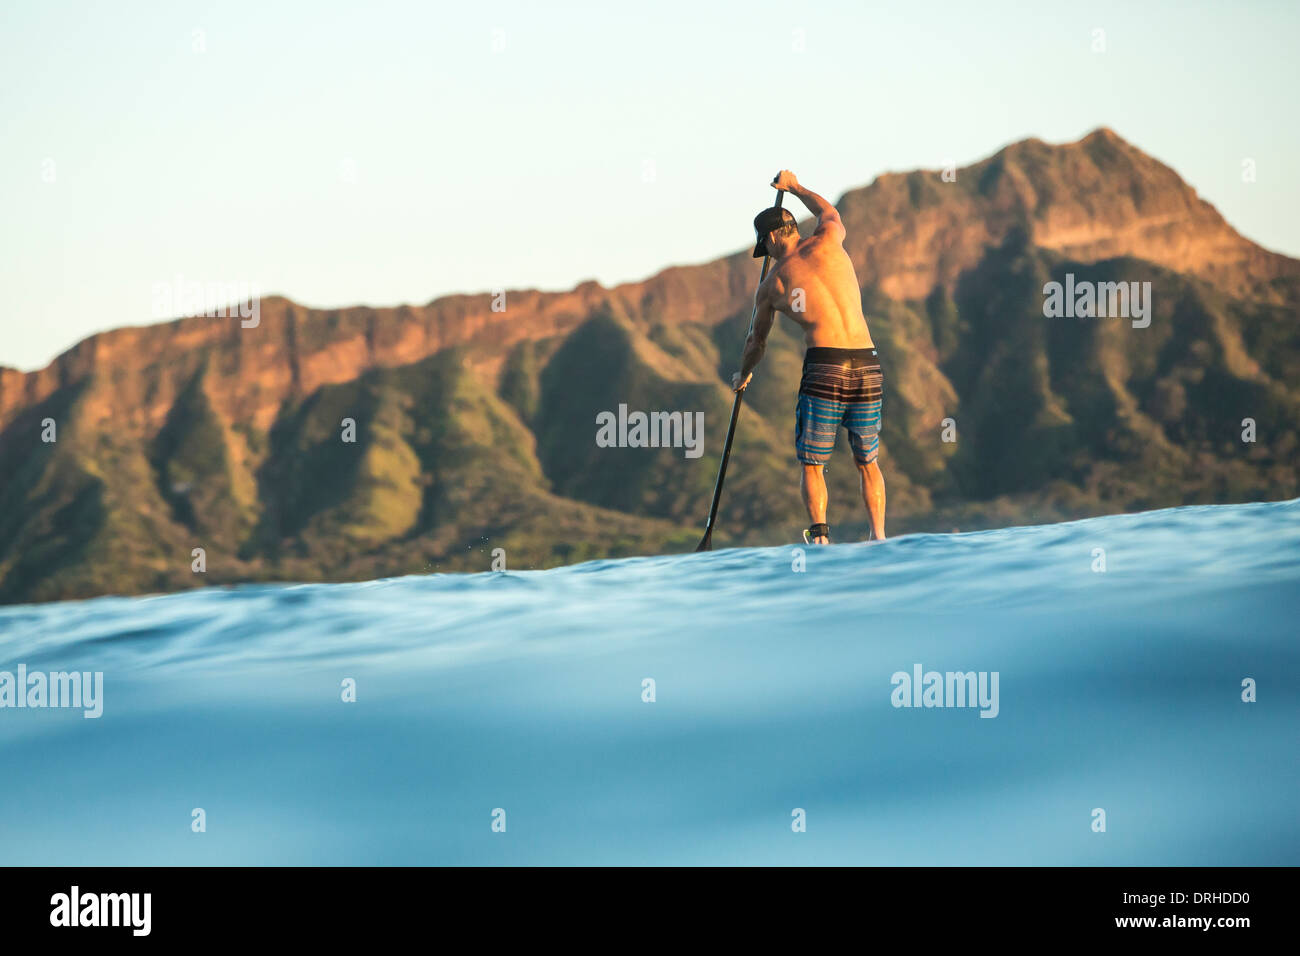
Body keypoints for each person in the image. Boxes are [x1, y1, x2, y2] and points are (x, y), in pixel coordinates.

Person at [732, 170, 885, 544]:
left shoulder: (773, 284)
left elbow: (756, 341)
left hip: (826, 366)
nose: (764, 254)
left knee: (813, 462)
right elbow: (828, 211)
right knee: (868, 461)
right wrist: (796, 188)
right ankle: (878, 536)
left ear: (770, 237)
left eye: (762, 247)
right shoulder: (830, 240)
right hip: (867, 361)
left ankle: (819, 539)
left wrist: (743, 374)